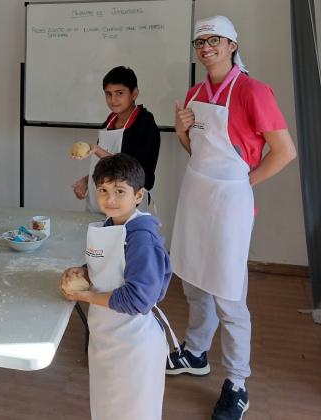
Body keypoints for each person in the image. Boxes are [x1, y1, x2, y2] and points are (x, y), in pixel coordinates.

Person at [167, 15, 297, 420]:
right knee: (193, 279)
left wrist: (246, 182)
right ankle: (195, 352)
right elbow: (198, 151)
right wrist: (181, 132)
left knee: (227, 293)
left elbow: (285, 151)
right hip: (195, 192)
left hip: (229, 201)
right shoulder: (194, 93)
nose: (206, 48)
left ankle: (237, 383)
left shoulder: (253, 91)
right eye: (200, 42)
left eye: (215, 41)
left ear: (232, 45)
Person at [59, 154, 173, 420]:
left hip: (133, 345)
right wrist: (84, 272)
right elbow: (113, 267)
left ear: (138, 195)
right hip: (106, 338)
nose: (110, 199)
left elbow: (138, 299)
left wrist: (84, 295)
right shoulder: (110, 224)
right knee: (106, 411)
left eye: (120, 191)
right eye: (103, 190)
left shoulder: (141, 237)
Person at [71, 66, 160, 214]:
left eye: (119, 93)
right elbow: (103, 164)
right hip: (99, 204)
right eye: (108, 94)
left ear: (134, 93)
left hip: (125, 210)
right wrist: (87, 180)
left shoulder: (145, 125)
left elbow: (135, 173)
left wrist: (97, 149)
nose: (113, 100)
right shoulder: (110, 121)